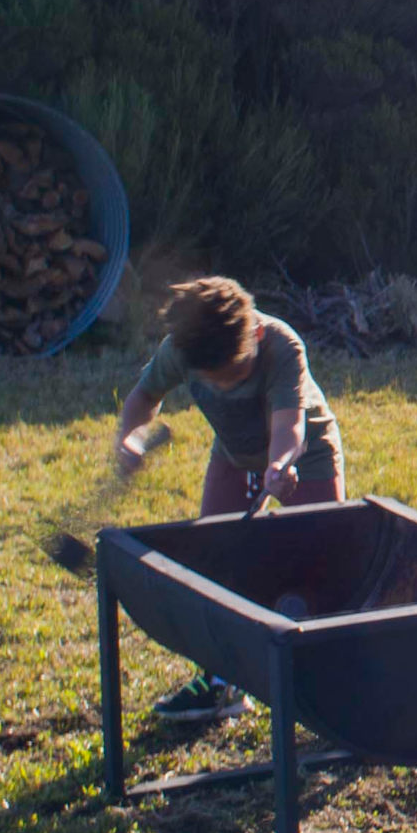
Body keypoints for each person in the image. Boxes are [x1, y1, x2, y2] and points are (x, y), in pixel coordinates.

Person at [111, 275, 348, 723]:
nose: (222, 389)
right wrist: (131, 439)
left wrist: (279, 466)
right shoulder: (182, 346)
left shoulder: (281, 346)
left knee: (325, 561)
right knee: (214, 562)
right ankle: (222, 683)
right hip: (234, 453)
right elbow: (144, 396)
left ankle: (331, 684)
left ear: (254, 336)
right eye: (211, 382)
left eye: (234, 377)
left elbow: (290, 428)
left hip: (305, 453)